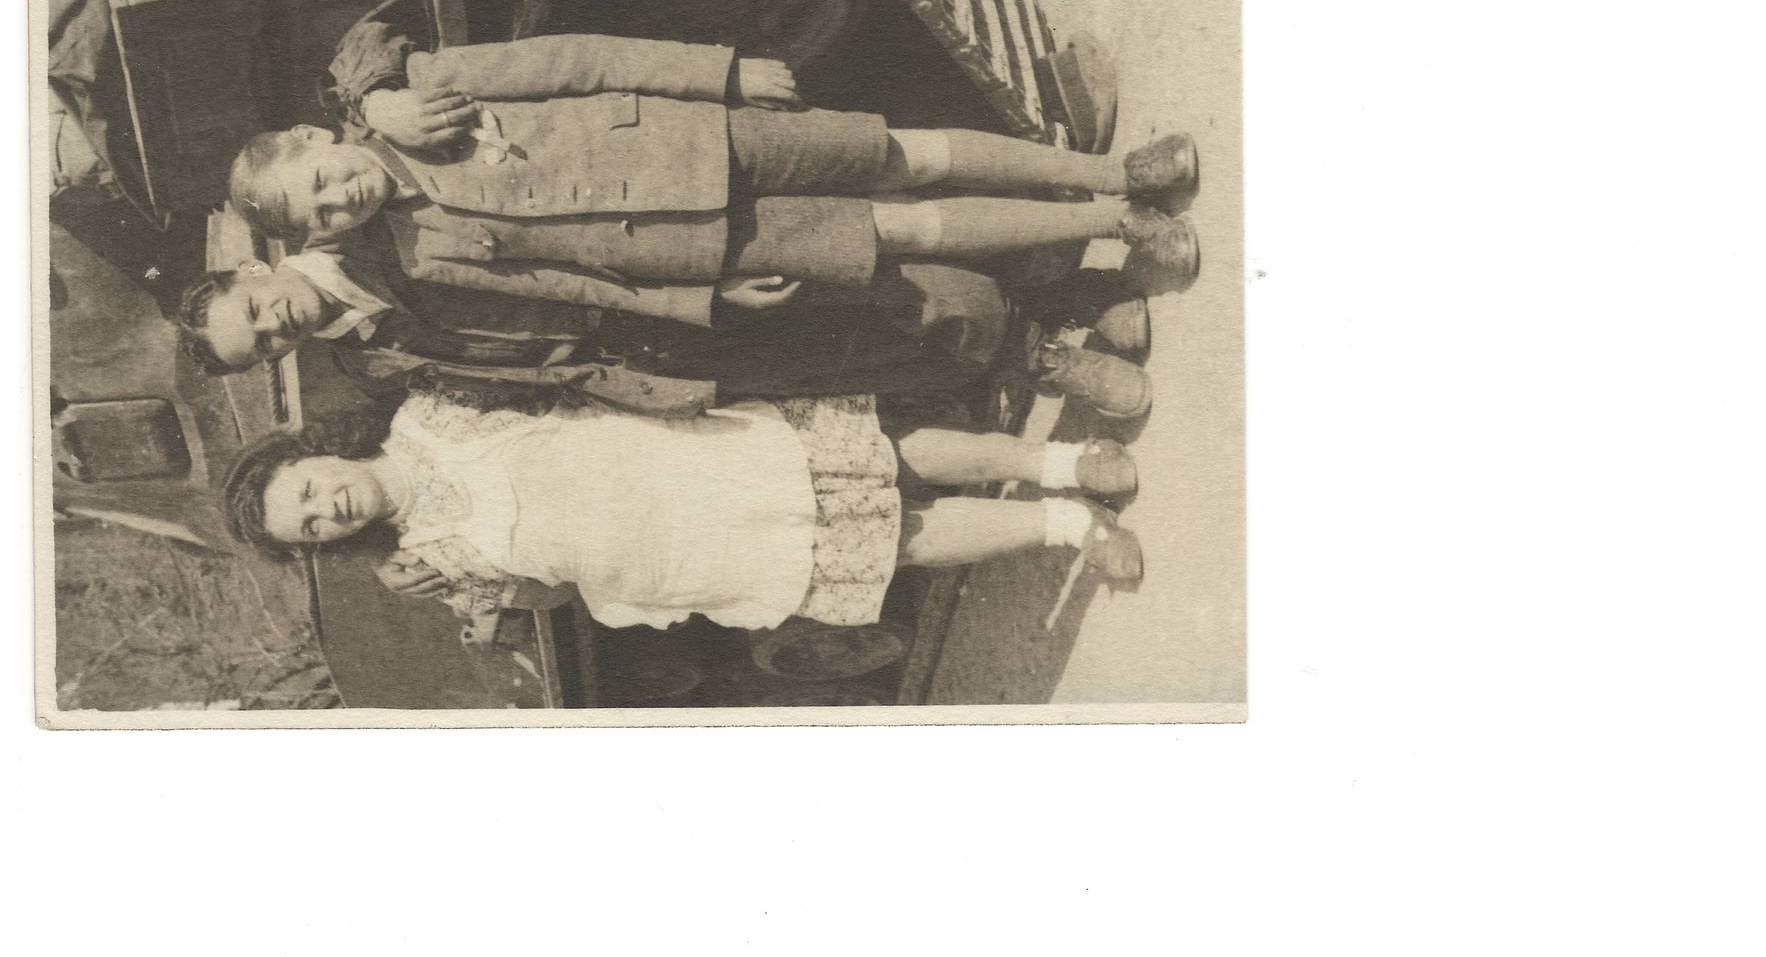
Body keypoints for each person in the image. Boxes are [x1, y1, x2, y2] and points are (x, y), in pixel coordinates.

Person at [225, 22, 1199, 317]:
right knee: (895, 229)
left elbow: (580, 60)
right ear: (322, 240)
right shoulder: (422, 251)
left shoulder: (421, 88)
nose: (340, 198)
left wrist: (717, 75)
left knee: (902, 156)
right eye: (322, 217)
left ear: (316, 138)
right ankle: (1117, 225)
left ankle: (1116, 171)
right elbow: (570, 285)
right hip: (695, 243)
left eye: (322, 179)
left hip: (699, 136)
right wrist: (701, 294)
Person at [222, 387, 1144, 634]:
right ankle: (1072, 528)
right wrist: (484, 595)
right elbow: (550, 595)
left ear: (311, 454)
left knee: (885, 455)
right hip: (695, 556)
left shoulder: (433, 409)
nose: (327, 510)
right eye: (312, 529)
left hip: (697, 459)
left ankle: (1064, 462)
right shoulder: (429, 561)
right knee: (894, 542)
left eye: (306, 492)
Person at [175, 248, 1155, 420]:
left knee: (853, 280)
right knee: (839, 352)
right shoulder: (366, 358)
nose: (275, 328)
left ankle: (1056, 322)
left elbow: (366, 60)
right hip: (632, 358)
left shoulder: (358, 227)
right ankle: (1052, 324)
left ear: (253, 271)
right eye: (262, 348)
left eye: (254, 312)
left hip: (640, 270)